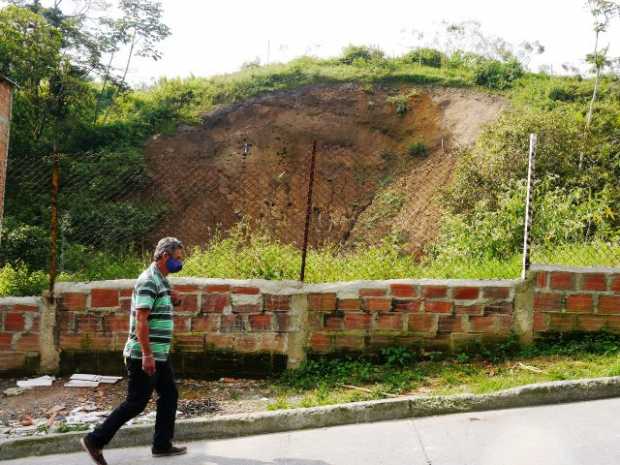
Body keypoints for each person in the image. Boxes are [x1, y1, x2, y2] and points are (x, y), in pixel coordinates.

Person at [81, 237, 187, 465]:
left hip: (159, 354)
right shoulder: (149, 280)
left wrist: (172, 296)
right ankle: (95, 439)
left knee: (169, 394)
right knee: (137, 402)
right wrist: (147, 355)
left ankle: (162, 445)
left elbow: (160, 298)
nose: (180, 263)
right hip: (144, 354)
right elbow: (141, 321)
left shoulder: (161, 279)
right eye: (177, 259)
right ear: (165, 257)